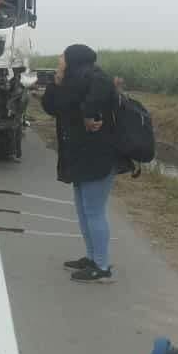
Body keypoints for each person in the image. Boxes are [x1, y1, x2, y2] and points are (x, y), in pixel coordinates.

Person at [41, 44, 119, 283]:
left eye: (62, 56)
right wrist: (56, 80)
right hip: (78, 155)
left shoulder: (98, 79)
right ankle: (92, 257)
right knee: (84, 210)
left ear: (74, 59)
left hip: (99, 156)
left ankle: (102, 266)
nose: (59, 58)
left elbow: (96, 99)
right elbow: (51, 106)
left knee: (94, 211)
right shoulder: (71, 81)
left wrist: (88, 114)